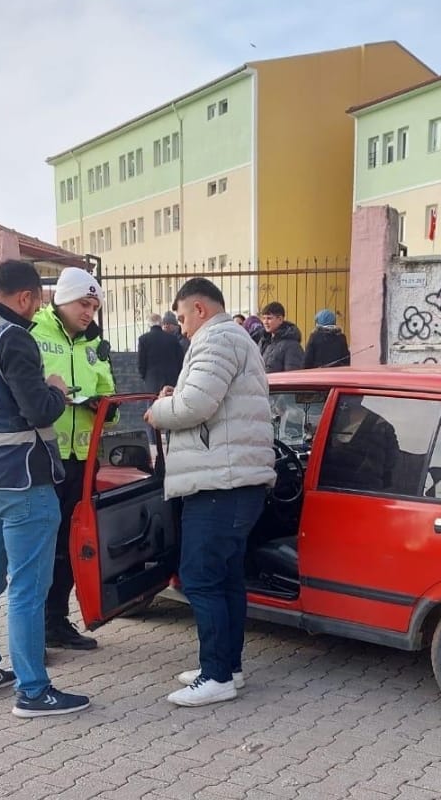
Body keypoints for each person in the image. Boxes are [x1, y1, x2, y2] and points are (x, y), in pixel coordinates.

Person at [0, 259, 90, 718]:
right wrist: (57, 389)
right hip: (23, 479)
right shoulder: (12, 337)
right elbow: (39, 411)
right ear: (25, 297)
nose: (36, 310)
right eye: (37, 302)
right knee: (29, 585)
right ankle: (33, 690)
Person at [145, 277, 276, 707]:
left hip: (220, 482)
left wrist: (158, 410)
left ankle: (216, 675)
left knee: (200, 578)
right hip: (233, 480)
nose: (180, 327)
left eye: (182, 318)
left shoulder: (216, 339)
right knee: (225, 578)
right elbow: (209, 399)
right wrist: (177, 393)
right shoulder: (234, 338)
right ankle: (225, 667)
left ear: (199, 309)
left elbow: (195, 407)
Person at [30, 267, 116, 652]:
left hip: (82, 458)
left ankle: (55, 622)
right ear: (62, 299)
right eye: (84, 303)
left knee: (68, 544)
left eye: (95, 306)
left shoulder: (94, 345)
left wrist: (103, 405)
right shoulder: (32, 333)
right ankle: (30, 634)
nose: (89, 313)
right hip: (43, 458)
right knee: (39, 547)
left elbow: (109, 396)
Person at [318, 394, 399, 492]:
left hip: (338, 486)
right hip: (370, 489)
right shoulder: (385, 425)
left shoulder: (336, 416)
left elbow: (328, 455)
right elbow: (391, 461)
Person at [137, 312, 185, 445]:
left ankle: (153, 441)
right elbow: (180, 360)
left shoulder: (143, 339)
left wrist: (145, 377)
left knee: (151, 411)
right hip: (171, 381)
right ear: (161, 323)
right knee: (171, 411)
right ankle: (171, 440)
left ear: (149, 324)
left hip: (152, 382)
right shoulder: (172, 339)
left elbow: (141, 363)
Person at [258, 301, 304, 372]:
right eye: (263, 318)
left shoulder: (292, 345)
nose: (265, 322)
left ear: (280, 319)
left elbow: (293, 375)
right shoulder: (263, 341)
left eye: (269, 318)